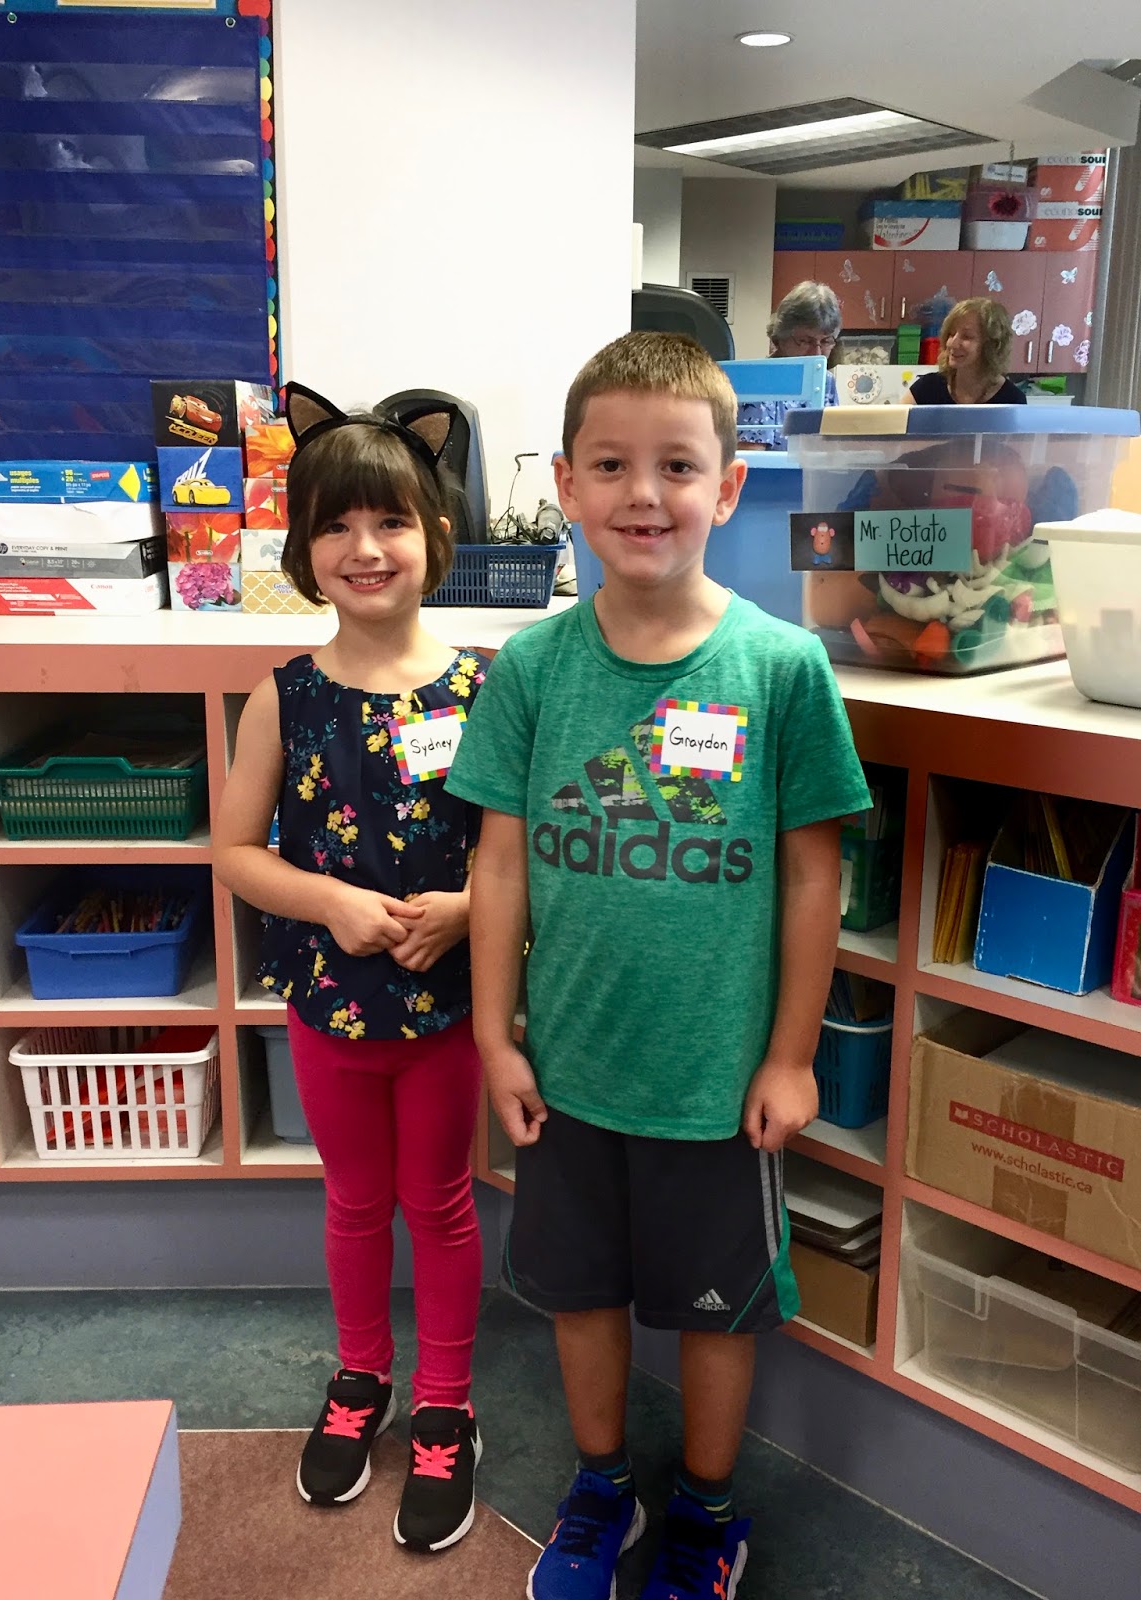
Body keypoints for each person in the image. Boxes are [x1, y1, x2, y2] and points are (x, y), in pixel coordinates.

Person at [447, 332, 870, 1600]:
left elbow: (813, 878)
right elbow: (499, 868)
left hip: (714, 1087)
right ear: (566, 486)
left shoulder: (781, 669)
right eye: (612, 465)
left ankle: (707, 1514)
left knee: (712, 1309)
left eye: (678, 466)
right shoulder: (531, 669)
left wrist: (791, 1057)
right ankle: (599, 1489)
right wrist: (494, 1036)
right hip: (569, 1072)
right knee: (579, 1296)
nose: (645, 493)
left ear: (728, 487)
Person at [214, 382, 490, 1555]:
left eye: (390, 521)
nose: (364, 547)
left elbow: (518, 852)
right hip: (330, 1008)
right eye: (335, 525)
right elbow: (236, 852)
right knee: (354, 1200)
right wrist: (327, 899)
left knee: (441, 1201)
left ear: (436, 533)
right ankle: (361, 1374)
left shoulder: (484, 688)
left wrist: (470, 909)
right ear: (304, 550)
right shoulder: (284, 696)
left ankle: (446, 1404)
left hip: (447, 1010)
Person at [737, 280, 841, 450]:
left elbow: (833, 447)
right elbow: (752, 456)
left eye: (826, 341)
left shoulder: (826, 381)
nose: (817, 353)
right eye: (805, 341)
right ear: (781, 338)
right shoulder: (759, 380)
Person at [907, 298, 1027, 405]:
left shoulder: (1013, 400)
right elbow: (898, 420)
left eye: (967, 336)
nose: (952, 343)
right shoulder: (926, 388)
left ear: (992, 345)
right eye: (951, 334)